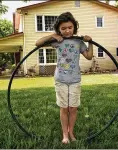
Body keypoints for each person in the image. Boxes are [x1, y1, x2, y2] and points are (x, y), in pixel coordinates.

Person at [36, 12, 93, 144]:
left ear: (74, 27)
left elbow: (89, 56)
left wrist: (90, 43)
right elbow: (37, 43)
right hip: (60, 79)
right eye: (63, 28)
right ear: (59, 30)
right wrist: (52, 36)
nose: (67, 30)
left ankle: (71, 132)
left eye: (69, 27)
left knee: (72, 108)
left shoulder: (79, 42)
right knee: (64, 108)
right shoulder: (56, 41)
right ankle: (65, 135)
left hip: (75, 80)